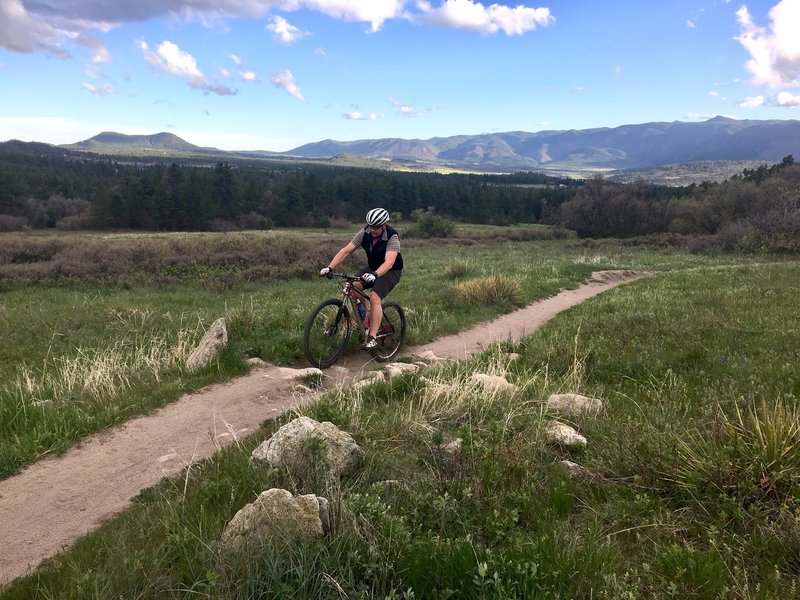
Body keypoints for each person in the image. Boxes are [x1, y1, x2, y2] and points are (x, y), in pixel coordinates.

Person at [319, 208, 404, 349]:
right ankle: (366, 318)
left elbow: (389, 262)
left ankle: (372, 337)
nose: (373, 230)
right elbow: (346, 250)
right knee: (352, 287)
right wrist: (330, 267)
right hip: (372, 268)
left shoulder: (392, 237)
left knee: (375, 297)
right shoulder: (364, 233)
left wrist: (375, 275)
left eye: (376, 227)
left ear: (384, 225)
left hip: (391, 271)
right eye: (371, 226)